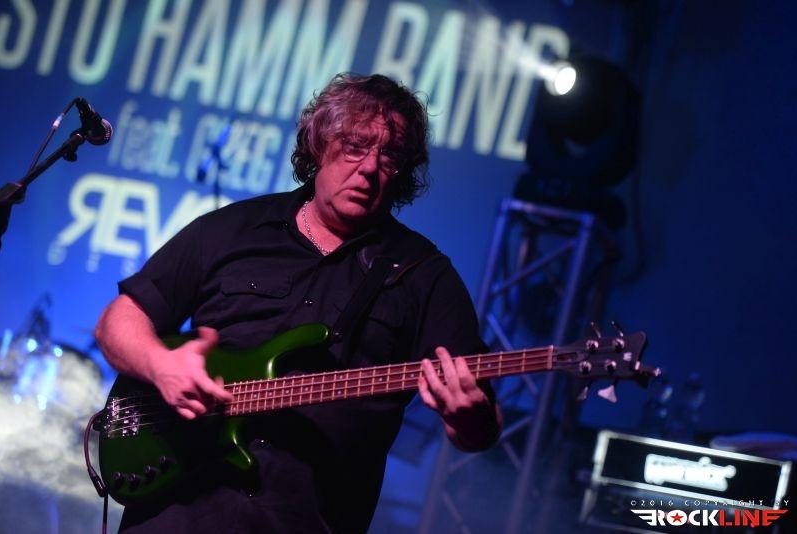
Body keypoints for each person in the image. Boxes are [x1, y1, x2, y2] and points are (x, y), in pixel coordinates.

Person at [94, 73, 502, 533]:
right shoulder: (232, 229)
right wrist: (161, 366)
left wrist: (471, 418)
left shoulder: (425, 275)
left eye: (389, 156)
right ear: (319, 143)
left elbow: (480, 428)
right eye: (355, 146)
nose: (369, 168)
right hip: (175, 512)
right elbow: (118, 322)